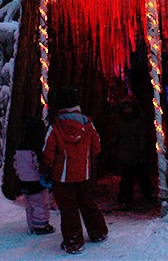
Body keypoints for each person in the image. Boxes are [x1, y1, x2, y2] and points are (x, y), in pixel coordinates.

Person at [41, 87, 108, 254]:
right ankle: (98, 232)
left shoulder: (55, 127)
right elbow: (97, 147)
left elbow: (47, 152)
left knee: (69, 209)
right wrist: (85, 159)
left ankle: (73, 242)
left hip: (62, 178)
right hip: (84, 174)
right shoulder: (88, 124)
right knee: (88, 203)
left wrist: (44, 168)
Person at [13, 117, 55, 236]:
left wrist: (19, 174)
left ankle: (31, 224)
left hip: (24, 180)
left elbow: (15, 163)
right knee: (41, 203)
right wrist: (46, 173)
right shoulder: (36, 146)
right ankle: (41, 226)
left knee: (29, 204)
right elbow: (38, 164)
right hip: (36, 180)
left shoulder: (20, 147)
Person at [112, 94, 154, 209]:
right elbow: (117, 135)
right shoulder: (120, 121)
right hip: (124, 150)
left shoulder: (138, 120)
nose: (127, 110)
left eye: (128, 107)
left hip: (137, 150)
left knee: (141, 173)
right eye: (125, 108)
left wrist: (142, 148)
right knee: (127, 176)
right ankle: (125, 197)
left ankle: (146, 192)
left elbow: (143, 135)